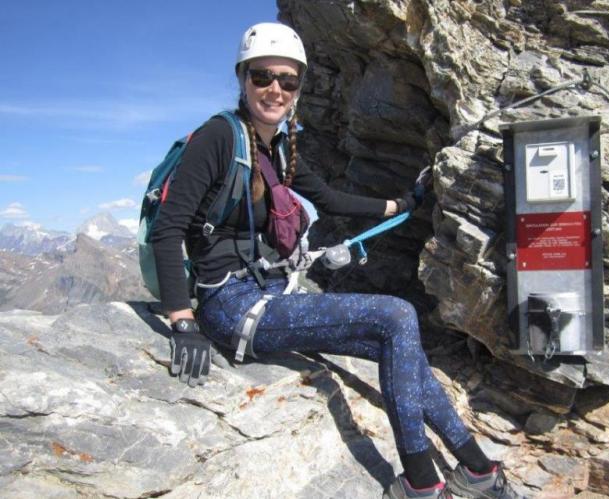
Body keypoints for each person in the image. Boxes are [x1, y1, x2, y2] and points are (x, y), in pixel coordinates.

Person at [151, 22, 522, 499]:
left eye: (288, 81)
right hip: (230, 306)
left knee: (400, 350)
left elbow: (328, 198)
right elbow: (168, 229)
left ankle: (476, 469)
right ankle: (422, 482)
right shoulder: (218, 139)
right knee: (397, 314)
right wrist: (182, 321)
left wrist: (398, 206)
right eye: (263, 76)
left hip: (267, 291)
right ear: (243, 78)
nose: (275, 89)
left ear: (299, 88)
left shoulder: (279, 146)